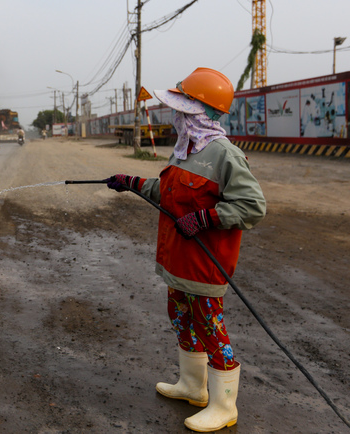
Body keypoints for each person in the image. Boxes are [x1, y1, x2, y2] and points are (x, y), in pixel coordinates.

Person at [106, 67, 266, 432]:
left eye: (182, 110)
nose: (175, 116)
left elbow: (253, 206)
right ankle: (194, 387)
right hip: (177, 262)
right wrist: (130, 182)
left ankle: (224, 406)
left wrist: (207, 219)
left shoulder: (224, 155)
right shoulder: (186, 151)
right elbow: (170, 193)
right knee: (179, 319)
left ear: (198, 112)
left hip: (204, 267)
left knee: (210, 327)